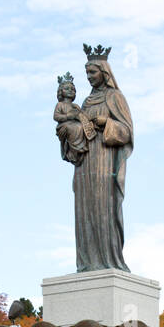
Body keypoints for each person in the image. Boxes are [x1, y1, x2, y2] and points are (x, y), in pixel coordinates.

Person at [58, 45, 133, 272]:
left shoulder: (115, 97)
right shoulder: (85, 103)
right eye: (87, 73)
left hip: (104, 161)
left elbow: (126, 132)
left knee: (103, 208)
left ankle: (108, 260)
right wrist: (67, 134)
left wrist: (107, 124)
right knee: (85, 210)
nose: (89, 77)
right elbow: (73, 128)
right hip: (84, 163)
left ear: (104, 72)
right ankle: (88, 262)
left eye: (93, 72)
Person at [54, 73, 95, 165]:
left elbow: (82, 114)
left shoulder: (75, 106)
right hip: (64, 125)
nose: (70, 91)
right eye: (67, 89)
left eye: (72, 89)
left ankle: (81, 147)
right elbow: (56, 116)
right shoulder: (60, 105)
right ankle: (74, 150)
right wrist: (68, 116)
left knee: (81, 127)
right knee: (73, 128)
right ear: (61, 91)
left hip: (75, 124)